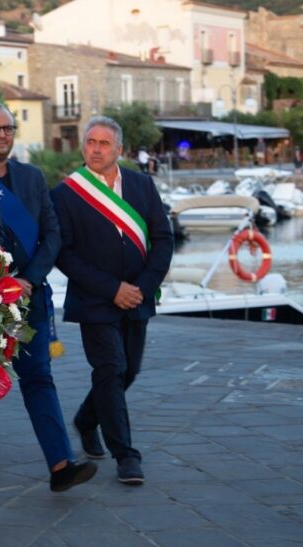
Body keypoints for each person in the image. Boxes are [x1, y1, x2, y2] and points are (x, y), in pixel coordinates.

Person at [0, 103, 98, 491]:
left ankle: (60, 464)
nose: (1, 135)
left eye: (7, 128)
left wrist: (29, 279)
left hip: (28, 298)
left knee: (39, 377)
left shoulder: (32, 177)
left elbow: (52, 234)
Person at [49, 116, 173, 486]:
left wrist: (143, 287)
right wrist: (111, 289)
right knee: (110, 369)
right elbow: (65, 254)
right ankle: (126, 455)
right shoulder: (66, 194)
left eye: (104, 143)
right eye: (91, 142)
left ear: (119, 149)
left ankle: (87, 420)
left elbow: (163, 239)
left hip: (138, 296)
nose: (96, 149)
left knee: (128, 371)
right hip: (95, 299)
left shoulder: (141, 184)